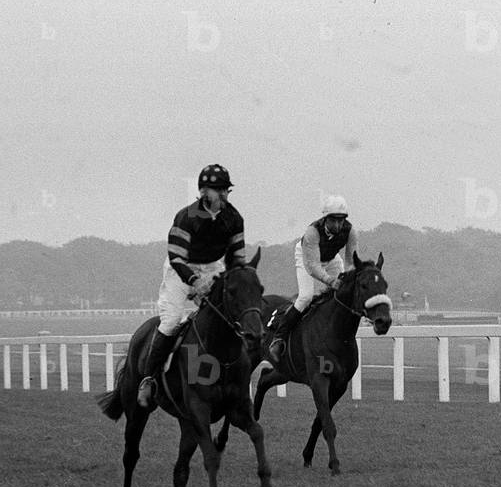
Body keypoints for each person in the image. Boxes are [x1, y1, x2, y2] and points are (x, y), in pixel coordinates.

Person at [137, 164, 246, 407]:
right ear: (205, 192)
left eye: (227, 190)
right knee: (172, 320)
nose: (225, 195)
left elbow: (237, 259)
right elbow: (177, 258)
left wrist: (234, 280)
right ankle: (149, 378)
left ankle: (230, 375)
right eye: (221, 191)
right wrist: (195, 282)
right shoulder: (186, 217)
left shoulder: (234, 218)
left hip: (211, 267)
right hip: (180, 268)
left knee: (227, 316)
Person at [268, 195, 358, 362]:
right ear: (325, 218)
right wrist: (331, 281)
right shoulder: (312, 232)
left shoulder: (350, 231)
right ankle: (279, 338)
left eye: (342, 220)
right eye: (334, 220)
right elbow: (313, 267)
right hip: (306, 257)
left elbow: (351, 261)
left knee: (344, 293)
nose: (339, 225)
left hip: (331, 258)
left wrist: (349, 279)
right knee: (306, 297)